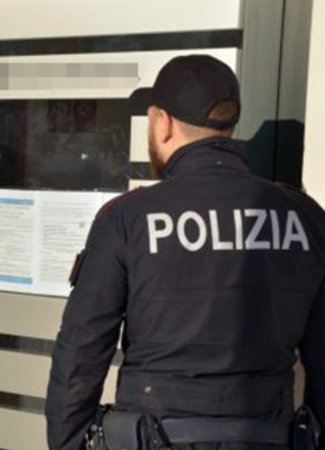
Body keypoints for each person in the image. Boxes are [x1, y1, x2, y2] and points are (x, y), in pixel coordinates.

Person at [46, 55, 323, 450]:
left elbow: (81, 353)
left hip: (154, 437)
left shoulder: (127, 219)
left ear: (162, 122)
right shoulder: (304, 217)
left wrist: (68, 444)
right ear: (229, 126)